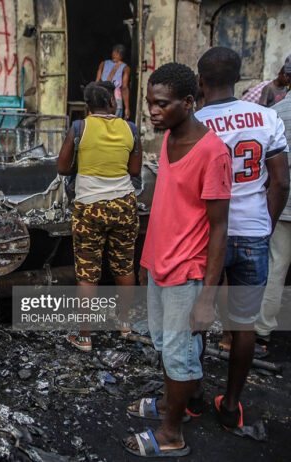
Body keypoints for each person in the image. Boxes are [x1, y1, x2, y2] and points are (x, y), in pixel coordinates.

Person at [122, 62, 231, 457]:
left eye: (161, 104)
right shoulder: (168, 138)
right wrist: (145, 259)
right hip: (160, 263)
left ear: (188, 102)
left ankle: (172, 434)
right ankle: (171, 405)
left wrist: (207, 297)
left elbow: (219, 227)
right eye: (150, 103)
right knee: (166, 345)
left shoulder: (212, 152)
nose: (153, 111)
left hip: (187, 271)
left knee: (180, 355)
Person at [195, 47, 289, 434]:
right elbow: (281, 181)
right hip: (253, 231)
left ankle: (193, 396)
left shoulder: (196, 121)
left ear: (200, 80)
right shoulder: (268, 117)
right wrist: (263, 224)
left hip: (205, 234)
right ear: (238, 77)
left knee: (196, 316)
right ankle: (232, 405)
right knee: (244, 324)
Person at [57, 81, 141, 352]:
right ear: (113, 104)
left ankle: (85, 338)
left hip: (89, 208)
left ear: (86, 107)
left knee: (87, 272)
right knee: (125, 266)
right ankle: (125, 324)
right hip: (124, 206)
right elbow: (135, 169)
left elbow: (62, 166)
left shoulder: (79, 127)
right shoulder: (130, 128)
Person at [255, 58, 291, 347]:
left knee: (277, 265)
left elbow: (275, 177)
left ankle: (263, 328)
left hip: (284, 206)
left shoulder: (274, 115)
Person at [95, 44, 131, 119]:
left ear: (113, 53)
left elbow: (97, 81)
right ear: (122, 55)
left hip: (102, 98)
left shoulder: (103, 64)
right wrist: (127, 107)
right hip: (116, 101)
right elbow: (124, 87)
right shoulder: (125, 68)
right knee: (114, 126)